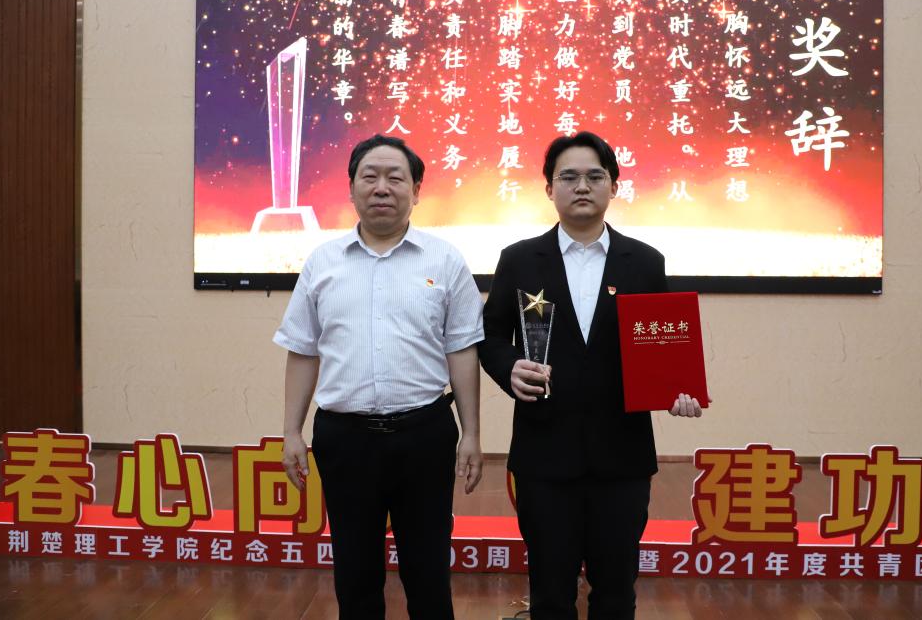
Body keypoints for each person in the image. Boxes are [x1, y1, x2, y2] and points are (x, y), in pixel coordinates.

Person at [478, 132, 708, 620]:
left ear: (614, 187)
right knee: (550, 594)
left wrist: (677, 391)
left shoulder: (644, 262)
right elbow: (491, 335)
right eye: (568, 177)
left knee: (616, 592)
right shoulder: (519, 259)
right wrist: (508, 368)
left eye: (594, 176)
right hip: (544, 455)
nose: (581, 186)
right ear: (549, 189)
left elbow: (663, 343)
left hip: (622, 457)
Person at [275, 134, 484, 620]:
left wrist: (472, 433)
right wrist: (291, 431)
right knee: (354, 571)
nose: (382, 187)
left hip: (424, 434)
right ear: (351, 188)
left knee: (428, 570)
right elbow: (302, 351)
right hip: (344, 437)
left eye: (396, 177)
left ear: (417, 190)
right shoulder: (323, 261)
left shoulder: (445, 259)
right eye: (370, 177)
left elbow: (462, 350)